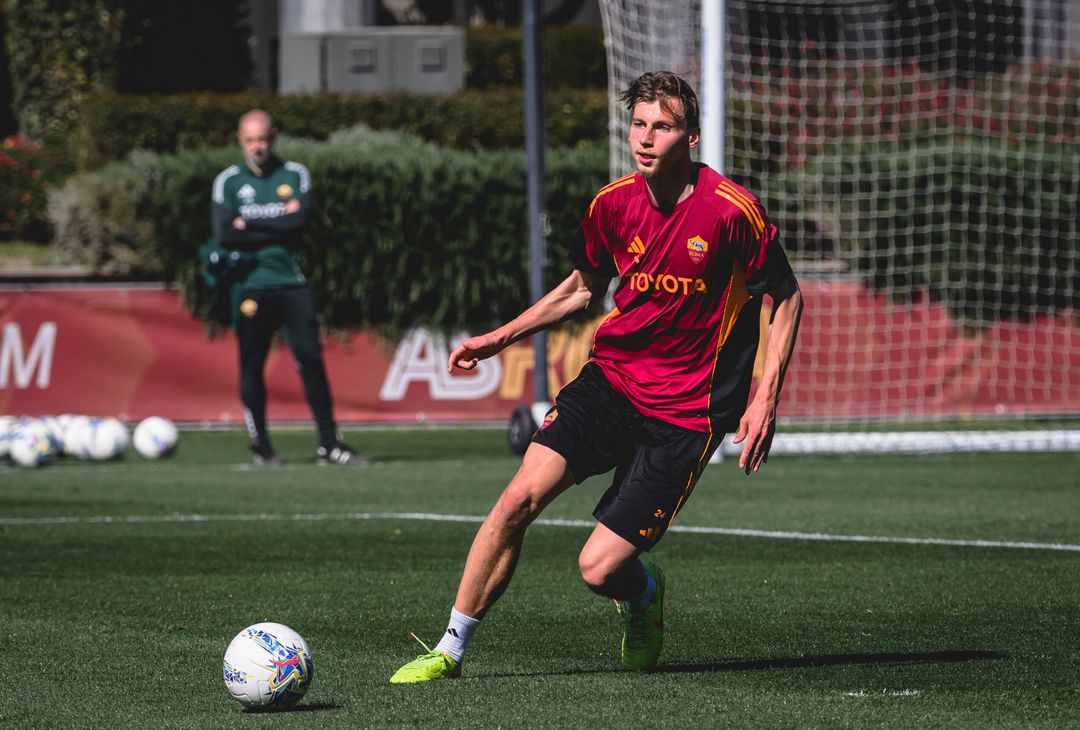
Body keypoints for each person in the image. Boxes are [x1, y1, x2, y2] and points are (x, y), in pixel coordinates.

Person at [389, 72, 803, 683]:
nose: (645, 137)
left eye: (661, 126)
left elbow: (787, 296)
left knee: (598, 570)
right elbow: (581, 289)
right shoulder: (612, 204)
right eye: (638, 123)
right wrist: (496, 339)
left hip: (686, 415)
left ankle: (642, 598)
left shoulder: (731, 212)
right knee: (516, 499)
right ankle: (448, 650)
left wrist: (765, 396)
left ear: (689, 136)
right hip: (610, 383)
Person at [209, 109, 360, 467]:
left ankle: (328, 444)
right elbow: (225, 233)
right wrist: (279, 220)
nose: (257, 147)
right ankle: (261, 444)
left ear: (273, 137)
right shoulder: (228, 182)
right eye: (250, 140)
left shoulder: (294, 174)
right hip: (250, 287)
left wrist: (251, 225)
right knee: (251, 365)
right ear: (240, 141)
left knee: (310, 359)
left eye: (262, 139)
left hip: (291, 283)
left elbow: (300, 222)